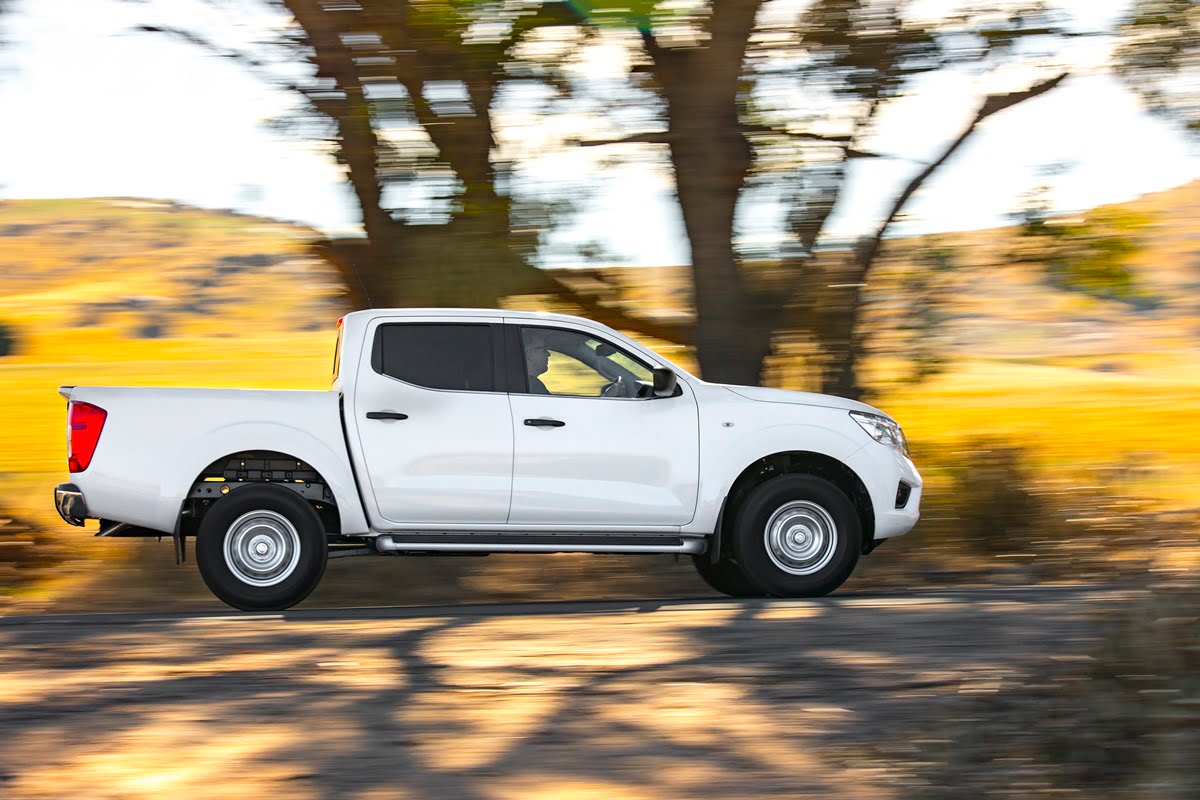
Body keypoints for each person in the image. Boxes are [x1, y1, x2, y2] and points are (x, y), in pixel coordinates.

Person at [524, 329, 551, 393]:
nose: (549, 354)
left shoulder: (525, 384)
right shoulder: (534, 387)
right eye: (544, 350)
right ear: (530, 355)